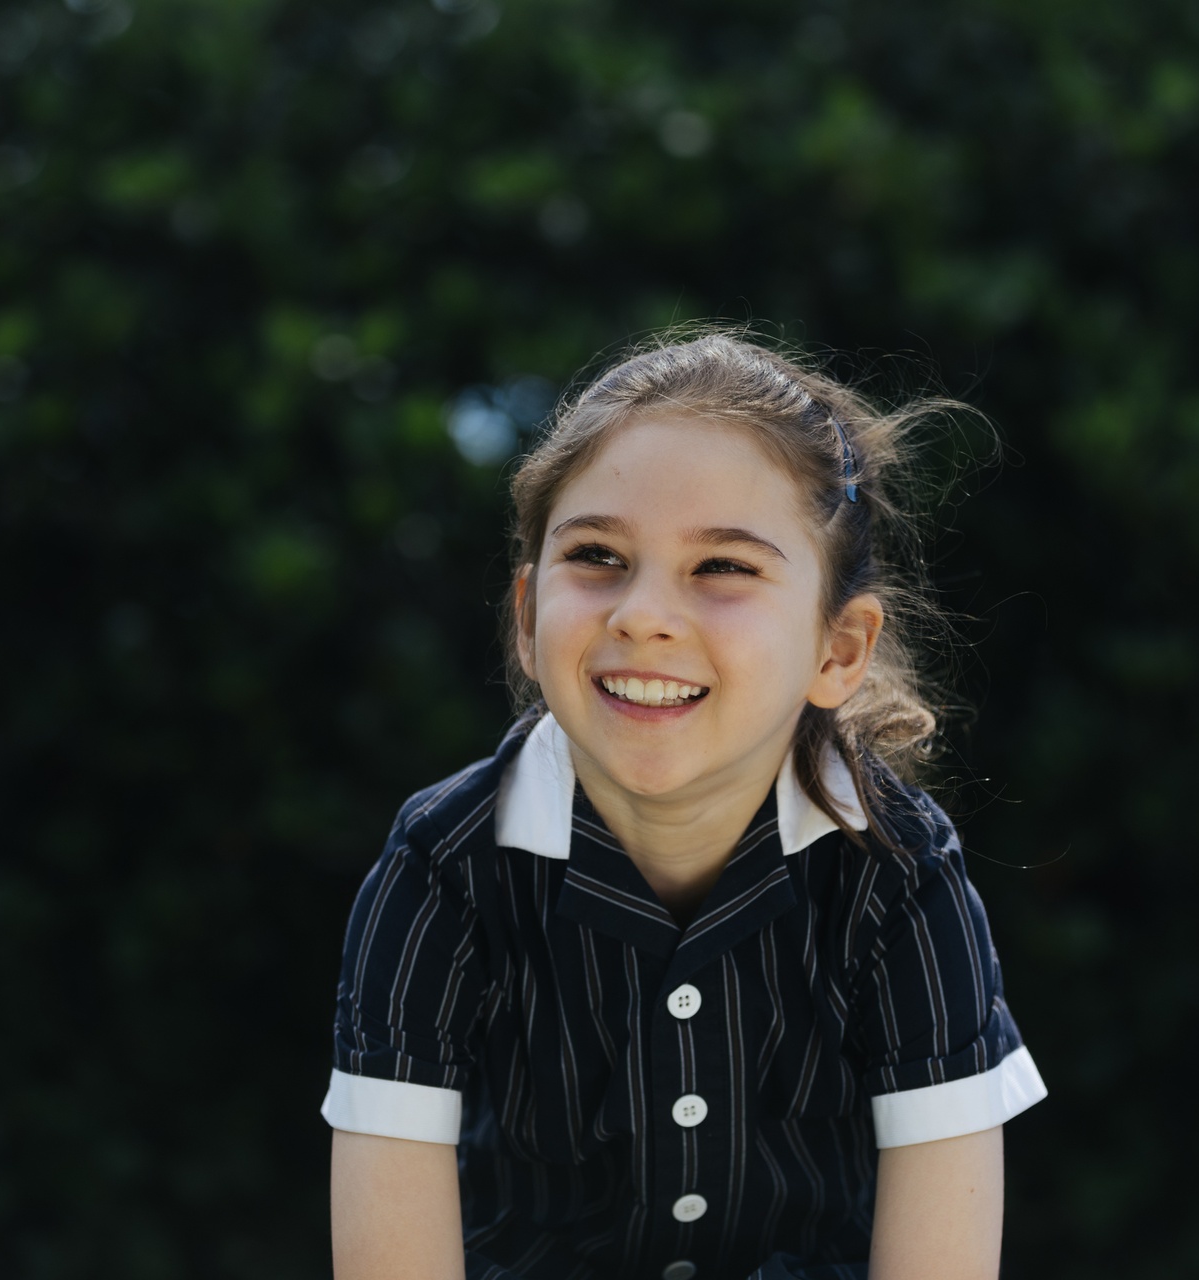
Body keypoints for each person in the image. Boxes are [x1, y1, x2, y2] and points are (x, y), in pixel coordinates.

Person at [323, 332, 1047, 1280]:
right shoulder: (441, 866)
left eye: (723, 568)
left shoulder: (898, 874)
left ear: (839, 649)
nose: (642, 614)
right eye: (597, 555)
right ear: (528, 613)